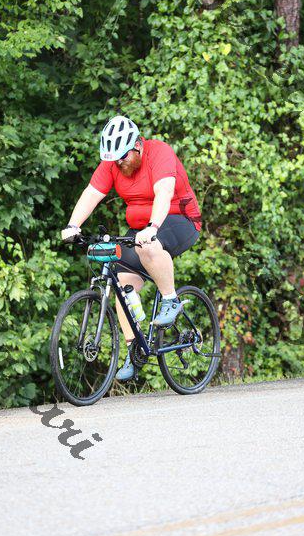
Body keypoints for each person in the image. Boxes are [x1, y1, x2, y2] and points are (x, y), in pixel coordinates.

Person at [61, 115, 201, 381]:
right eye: (114, 159)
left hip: (179, 219)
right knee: (122, 281)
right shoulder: (114, 163)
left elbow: (164, 193)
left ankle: (170, 300)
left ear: (137, 145)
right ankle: (134, 350)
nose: (119, 162)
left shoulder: (159, 153)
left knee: (148, 247)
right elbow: (92, 193)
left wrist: (153, 227)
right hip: (141, 228)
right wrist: (73, 225)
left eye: (123, 156)